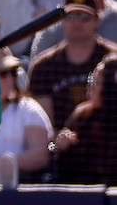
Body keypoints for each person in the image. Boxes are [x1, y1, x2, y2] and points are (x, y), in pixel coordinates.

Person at [29, 0, 115, 132]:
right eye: (71, 16)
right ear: (62, 21)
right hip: (60, 148)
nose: (77, 22)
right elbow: (45, 126)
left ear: (97, 20)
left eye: (84, 16)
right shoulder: (43, 66)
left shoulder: (113, 61)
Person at [0, 49, 52, 183]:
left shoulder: (27, 109)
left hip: (18, 190)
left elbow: (40, 155)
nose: (10, 79)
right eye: (3, 73)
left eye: (13, 73)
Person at [50, 51, 117, 182]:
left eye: (96, 82)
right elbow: (53, 150)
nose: (90, 86)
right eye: (91, 79)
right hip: (84, 194)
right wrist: (60, 146)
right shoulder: (81, 115)